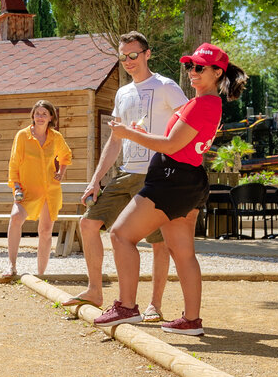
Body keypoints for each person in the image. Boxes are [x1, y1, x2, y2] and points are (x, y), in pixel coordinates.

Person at [93, 43, 247, 337]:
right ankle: (191, 320)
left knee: (121, 235)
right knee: (182, 252)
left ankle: (126, 306)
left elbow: (171, 146)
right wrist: (140, 134)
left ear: (218, 73)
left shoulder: (203, 104)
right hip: (188, 179)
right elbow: (178, 144)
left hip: (171, 179)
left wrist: (127, 134)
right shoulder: (208, 103)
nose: (192, 72)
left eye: (200, 68)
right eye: (190, 66)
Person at [66, 32, 185, 320]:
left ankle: (154, 305)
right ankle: (95, 290)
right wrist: (95, 180)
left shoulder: (167, 87)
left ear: (147, 54)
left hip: (157, 175)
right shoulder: (122, 93)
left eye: (133, 55)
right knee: (88, 224)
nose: (128, 61)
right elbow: (115, 140)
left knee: (159, 242)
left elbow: (187, 129)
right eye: (123, 57)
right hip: (126, 172)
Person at [5, 101, 72, 277]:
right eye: (37, 113)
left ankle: (41, 274)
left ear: (51, 117)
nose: (40, 117)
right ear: (33, 116)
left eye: (44, 114)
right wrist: (16, 186)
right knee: (15, 217)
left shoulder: (56, 137)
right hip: (27, 189)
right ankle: (11, 266)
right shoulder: (22, 136)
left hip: (50, 190)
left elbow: (66, 155)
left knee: (45, 230)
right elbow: (14, 163)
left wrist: (61, 171)